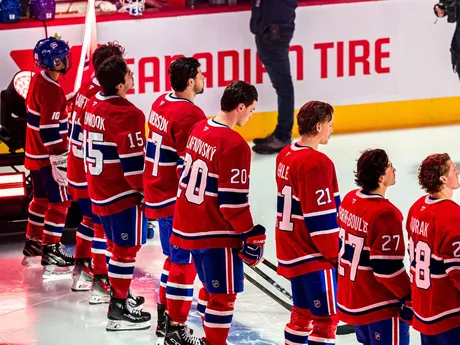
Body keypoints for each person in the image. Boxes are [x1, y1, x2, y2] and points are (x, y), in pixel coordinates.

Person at [170, 81, 265, 345]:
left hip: (188, 224)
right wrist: (249, 233)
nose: (251, 115)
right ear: (241, 106)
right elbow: (232, 203)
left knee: (211, 291)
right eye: (252, 109)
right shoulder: (234, 144)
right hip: (214, 232)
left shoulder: (199, 128)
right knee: (223, 296)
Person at [83, 56, 149, 331]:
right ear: (121, 84)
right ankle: (118, 308)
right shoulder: (129, 114)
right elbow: (134, 167)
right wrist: (147, 193)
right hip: (120, 193)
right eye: (130, 73)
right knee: (125, 250)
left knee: (114, 246)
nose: (133, 76)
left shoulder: (92, 102)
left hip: (97, 188)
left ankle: (118, 294)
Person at [142, 57, 206, 336]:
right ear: (190, 81)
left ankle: (165, 318)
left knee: (173, 259)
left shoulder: (160, 102)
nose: (204, 79)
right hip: (172, 199)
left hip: (156, 190)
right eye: (200, 75)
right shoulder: (191, 115)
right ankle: (174, 327)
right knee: (182, 262)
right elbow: (188, 168)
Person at [275, 101, 340, 345]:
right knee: (326, 320)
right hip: (313, 255)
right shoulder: (317, 163)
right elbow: (321, 220)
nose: (332, 129)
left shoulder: (285, 154)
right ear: (317, 126)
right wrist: (335, 255)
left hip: (291, 248)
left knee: (301, 315)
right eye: (329, 125)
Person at [67, 42, 125, 302]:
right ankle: (101, 282)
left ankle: (82, 270)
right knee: (100, 225)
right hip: (91, 169)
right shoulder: (100, 94)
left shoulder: (86, 87)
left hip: (80, 164)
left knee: (90, 221)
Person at [337, 149, 412, 345]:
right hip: (380, 305)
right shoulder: (386, 214)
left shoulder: (349, 199)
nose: (394, 169)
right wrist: (410, 296)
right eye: (389, 166)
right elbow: (387, 269)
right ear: (380, 178)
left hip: (354, 298)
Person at [22, 37, 75, 276]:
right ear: (54, 61)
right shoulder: (53, 90)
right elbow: (50, 131)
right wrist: (61, 158)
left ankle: (33, 241)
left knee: (40, 199)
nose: (67, 60)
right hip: (48, 156)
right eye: (63, 57)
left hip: (34, 154)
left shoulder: (37, 80)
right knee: (60, 202)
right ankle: (51, 247)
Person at [406, 153, 460, 344]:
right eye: (454, 170)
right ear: (443, 178)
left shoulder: (416, 208)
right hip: (449, 316)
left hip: (424, 310)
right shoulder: (453, 216)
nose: (458, 172)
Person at [250, 0, 297, 154]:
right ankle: (281, 133)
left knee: (284, 87)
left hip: (274, 32)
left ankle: (283, 136)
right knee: (283, 87)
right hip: (271, 31)